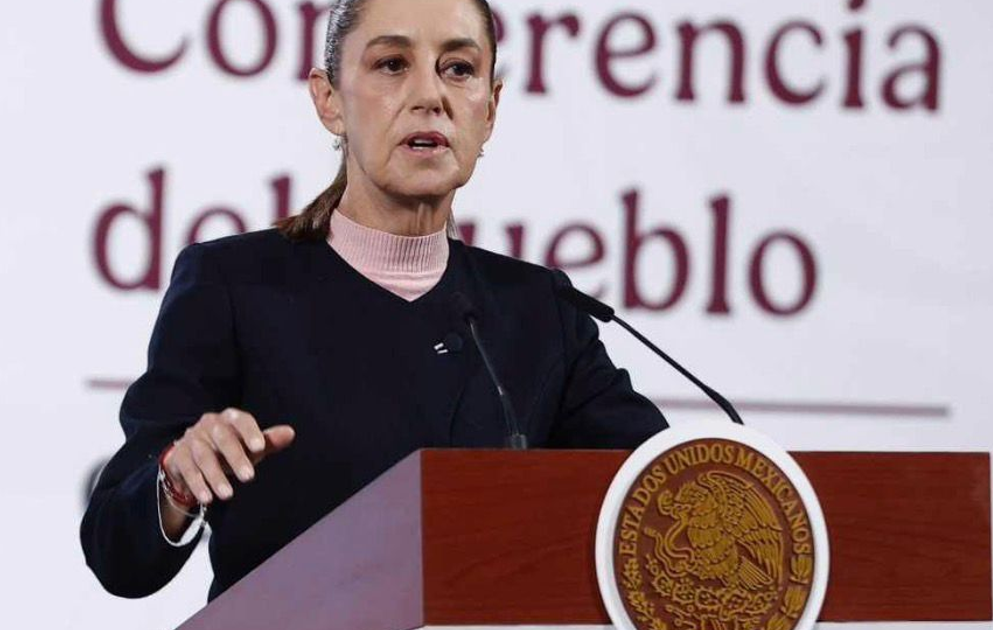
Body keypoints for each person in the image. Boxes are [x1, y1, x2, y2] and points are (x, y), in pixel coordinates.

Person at [80, 0, 667, 603]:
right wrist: (176, 481)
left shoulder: (541, 312)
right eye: (391, 64)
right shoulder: (232, 286)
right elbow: (116, 552)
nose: (429, 96)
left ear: (489, 110)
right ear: (329, 100)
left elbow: (668, 498)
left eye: (458, 69)